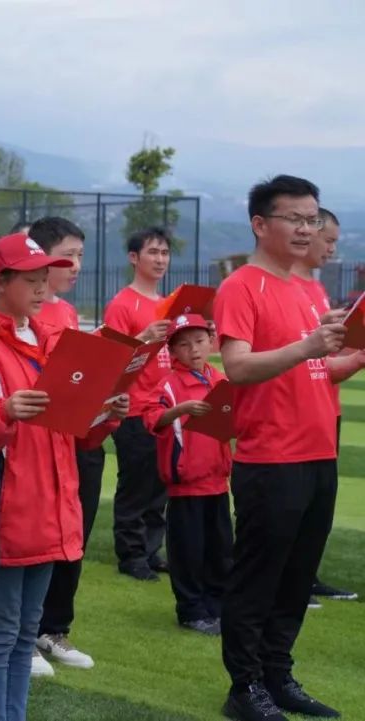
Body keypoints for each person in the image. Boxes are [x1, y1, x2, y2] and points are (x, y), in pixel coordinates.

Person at [0, 233, 126, 721]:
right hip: (4, 512)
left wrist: (104, 414)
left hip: (48, 508)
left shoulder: (51, 340)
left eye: (46, 278)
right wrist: (2, 412)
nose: (43, 288)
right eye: (31, 279)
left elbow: (72, 433)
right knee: (1, 633)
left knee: (24, 634)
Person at [215, 175, 363, 721]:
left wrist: (353, 354)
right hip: (271, 458)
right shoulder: (242, 286)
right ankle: (244, 687)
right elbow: (237, 367)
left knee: (297, 577)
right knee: (258, 578)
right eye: (295, 218)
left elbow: (318, 372)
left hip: (317, 453)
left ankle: (277, 676)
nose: (306, 229)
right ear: (260, 224)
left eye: (312, 218)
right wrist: (307, 346)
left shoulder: (304, 290)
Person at [28, 216, 99, 674]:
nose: (75, 265)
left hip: (75, 435)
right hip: (39, 440)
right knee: (38, 538)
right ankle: (27, 634)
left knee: (74, 536)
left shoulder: (68, 313)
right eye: (67, 256)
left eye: (80, 256)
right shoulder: (26, 313)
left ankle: (54, 629)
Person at [141, 314, 232, 636]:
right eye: (183, 344)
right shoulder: (169, 384)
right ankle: (191, 610)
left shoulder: (219, 379)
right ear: (172, 351)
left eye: (199, 341)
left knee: (220, 550)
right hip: (186, 484)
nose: (193, 349)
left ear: (211, 342)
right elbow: (151, 418)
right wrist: (180, 410)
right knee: (188, 552)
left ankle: (217, 607)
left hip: (217, 481)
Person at [289, 208, 358, 605]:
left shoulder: (315, 290)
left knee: (319, 510)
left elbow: (323, 366)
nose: (331, 249)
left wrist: (356, 356)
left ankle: (305, 578)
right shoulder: (284, 288)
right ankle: (290, 583)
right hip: (294, 419)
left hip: (325, 411)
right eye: (328, 240)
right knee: (292, 510)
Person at [103, 227, 174, 581]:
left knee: (160, 484)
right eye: (153, 252)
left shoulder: (167, 304)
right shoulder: (122, 304)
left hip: (163, 407)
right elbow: (111, 358)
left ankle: (150, 549)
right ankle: (131, 554)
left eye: (164, 253)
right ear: (134, 258)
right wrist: (143, 338)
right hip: (133, 409)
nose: (160, 260)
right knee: (136, 484)